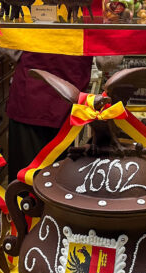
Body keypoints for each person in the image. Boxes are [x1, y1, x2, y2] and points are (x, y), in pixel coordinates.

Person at [6, 51, 92, 180]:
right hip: (68, 97)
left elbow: (9, 49)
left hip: (30, 94)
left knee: (25, 177)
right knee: (60, 177)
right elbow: (108, 62)